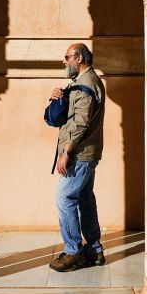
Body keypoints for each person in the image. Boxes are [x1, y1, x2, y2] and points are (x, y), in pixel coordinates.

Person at [48, 43, 107, 271]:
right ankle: (94, 250)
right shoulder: (83, 82)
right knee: (84, 200)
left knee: (64, 199)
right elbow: (73, 115)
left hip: (80, 153)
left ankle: (74, 252)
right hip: (86, 152)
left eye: (67, 57)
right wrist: (58, 96)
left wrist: (66, 152)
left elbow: (80, 122)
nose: (64, 61)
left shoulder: (86, 84)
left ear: (79, 57)